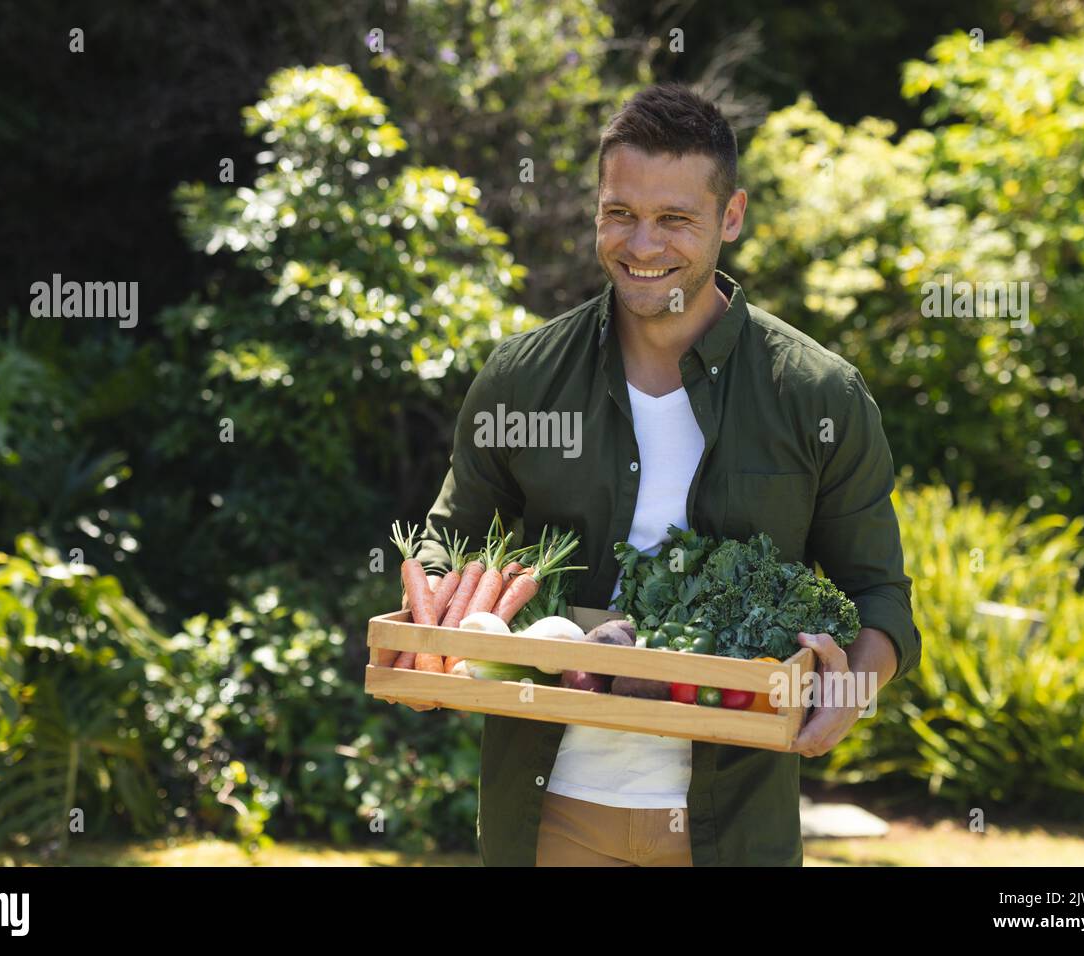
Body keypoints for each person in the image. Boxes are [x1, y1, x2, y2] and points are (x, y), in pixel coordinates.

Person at [393, 82, 921, 866]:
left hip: (732, 827)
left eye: (675, 219)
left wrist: (849, 691)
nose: (643, 246)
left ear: (731, 217)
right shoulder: (524, 379)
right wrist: (426, 623)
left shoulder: (816, 395)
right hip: (547, 818)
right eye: (620, 214)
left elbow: (880, 596)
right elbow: (449, 538)